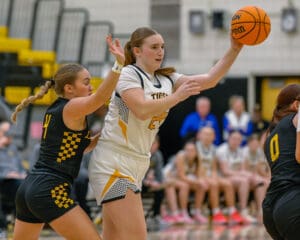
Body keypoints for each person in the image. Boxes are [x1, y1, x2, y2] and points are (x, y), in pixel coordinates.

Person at [88, 26, 243, 240]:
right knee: (136, 235)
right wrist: (177, 97)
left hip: (137, 162)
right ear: (137, 51)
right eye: (154, 47)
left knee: (113, 237)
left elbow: (210, 79)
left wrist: (234, 49)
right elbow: (141, 109)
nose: (160, 51)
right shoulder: (128, 73)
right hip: (113, 161)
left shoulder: (168, 79)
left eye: (162, 47)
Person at [11, 35, 124, 240]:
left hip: (29, 189)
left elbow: (80, 148)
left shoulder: (57, 110)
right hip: (50, 189)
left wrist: (111, 132)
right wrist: (118, 66)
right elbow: (99, 99)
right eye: (86, 82)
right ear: (69, 88)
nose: (90, 87)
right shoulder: (72, 107)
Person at [262, 84, 300, 240]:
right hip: (293, 202)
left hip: (271, 207)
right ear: (297, 104)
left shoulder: (270, 134)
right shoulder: (298, 117)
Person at [195, 126, 244, 225]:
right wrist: (207, 178)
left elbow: (213, 168)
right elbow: (196, 168)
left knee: (227, 183)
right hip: (197, 176)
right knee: (214, 184)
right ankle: (215, 211)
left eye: (210, 134)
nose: (207, 137)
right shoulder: (195, 147)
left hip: (209, 176)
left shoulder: (214, 149)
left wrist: (214, 176)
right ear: (199, 135)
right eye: (205, 134)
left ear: (214, 137)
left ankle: (231, 210)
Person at [216, 130, 258, 224]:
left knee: (257, 181)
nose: (236, 141)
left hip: (236, 177)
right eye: (234, 138)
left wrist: (250, 175)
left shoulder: (240, 151)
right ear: (228, 138)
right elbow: (225, 171)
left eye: (239, 139)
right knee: (244, 181)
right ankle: (243, 211)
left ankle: (259, 211)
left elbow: (243, 169)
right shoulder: (222, 150)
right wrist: (243, 175)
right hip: (222, 178)